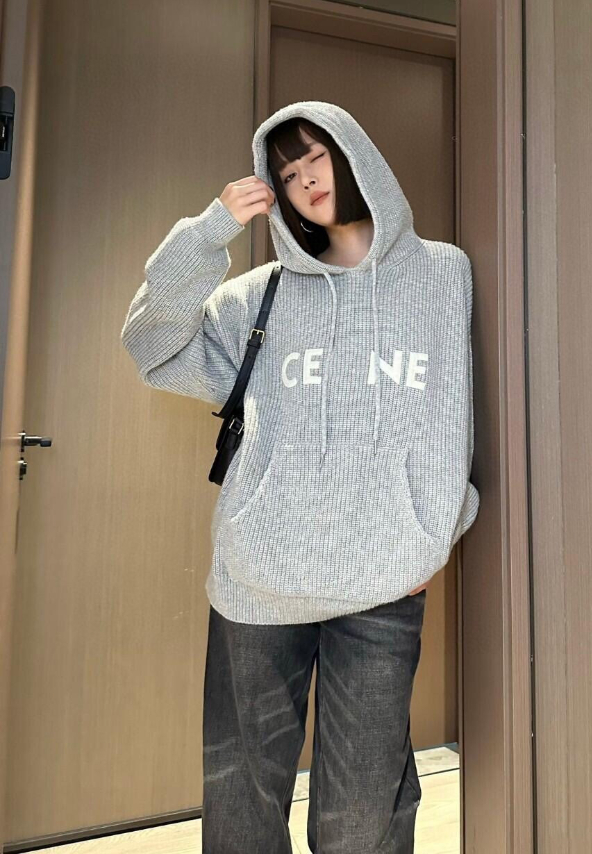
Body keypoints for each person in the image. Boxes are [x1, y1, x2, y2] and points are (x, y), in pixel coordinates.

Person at [121, 100, 480, 853]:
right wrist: (209, 232)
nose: (305, 179)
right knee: (242, 802)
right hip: (259, 581)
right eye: (287, 173)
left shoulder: (443, 274)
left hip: (384, 582)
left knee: (363, 814)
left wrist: (432, 537)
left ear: (354, 155)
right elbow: (151, 346)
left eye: (316, 156)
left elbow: (453, 421)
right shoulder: (261, 295)